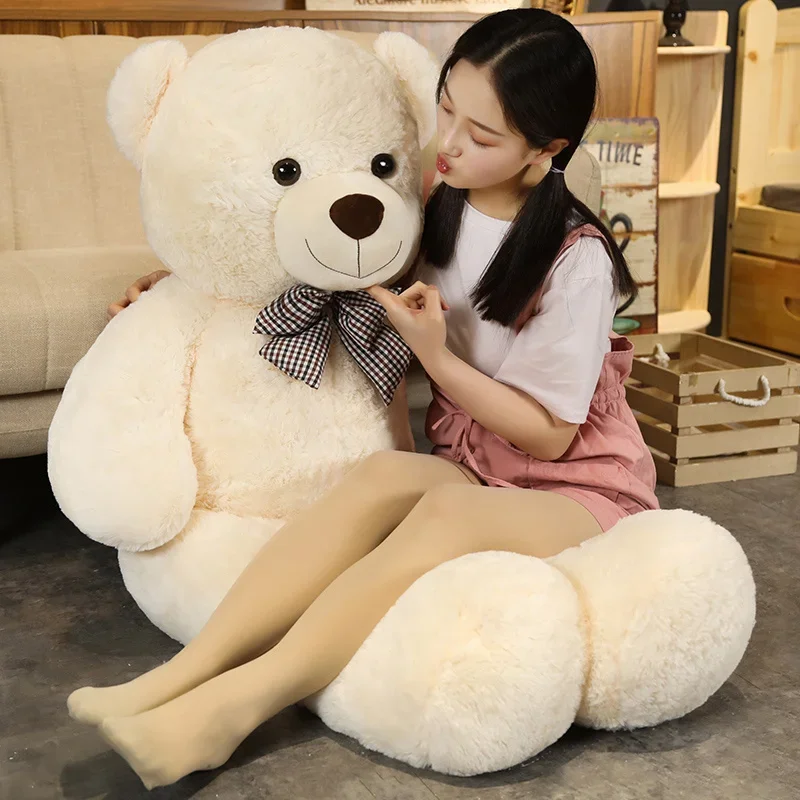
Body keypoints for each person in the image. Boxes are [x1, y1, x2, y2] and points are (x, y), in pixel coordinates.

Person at [68, 9, 658, 789]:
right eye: (447, 109)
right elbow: (323, 261)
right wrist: (177, 284)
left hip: (579, 487)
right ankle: (182, 675)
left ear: (546, 151)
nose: (449, 143)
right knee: (378, 479)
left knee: (443, 514)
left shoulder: (575, 260)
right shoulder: (441, 200)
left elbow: (549, 436)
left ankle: (229, 713)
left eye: (482, 135)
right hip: (478, 462)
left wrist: (433, 357)